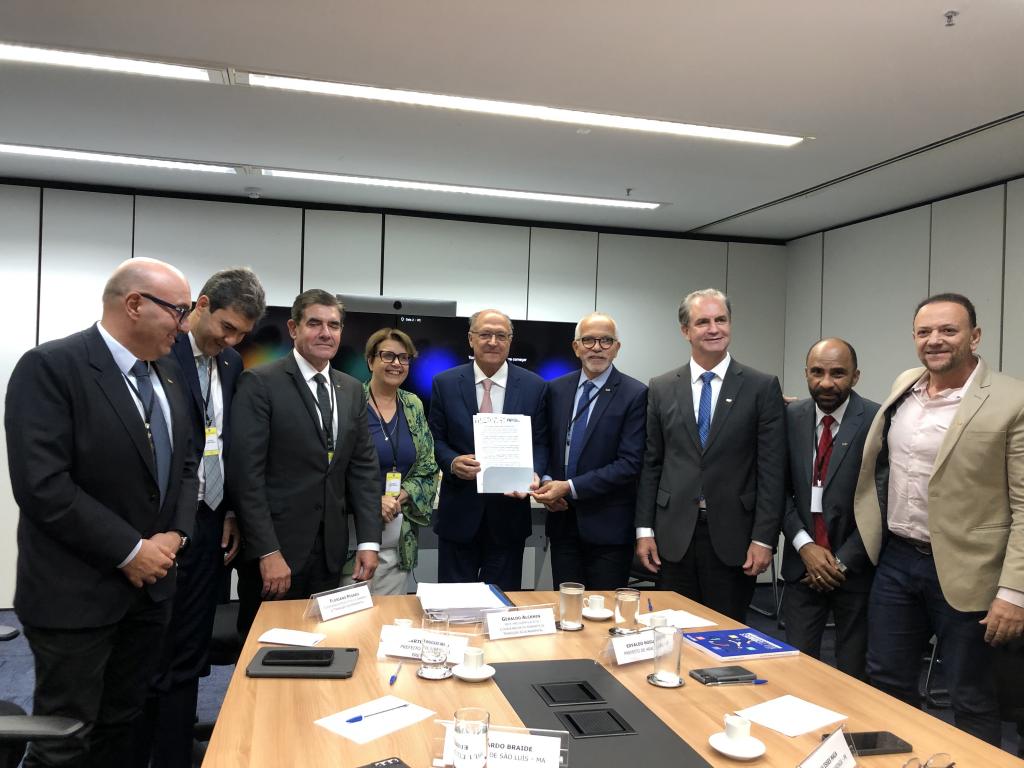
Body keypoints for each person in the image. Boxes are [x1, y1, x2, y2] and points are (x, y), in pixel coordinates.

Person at [5, 258, 199, 767]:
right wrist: (130, 550)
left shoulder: (169, 376)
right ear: (134, 304)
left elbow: (187, 465)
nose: (184, 327)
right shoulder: (52, 367)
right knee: (64, 740)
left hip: (150, 592)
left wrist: (176, 534)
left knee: (124, 725)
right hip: (76, 595)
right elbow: (43, 486)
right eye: (178, 312)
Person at [854, 292, 1024, 745]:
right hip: (897, 560)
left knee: (971, 696)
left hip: (971, 570)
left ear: (975, 336)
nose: (935, 340)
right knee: (886, 679)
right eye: (924, 332)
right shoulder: (906, 384)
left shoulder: (1012, 399)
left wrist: (1014, 592)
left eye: (949, 330)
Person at [138, 268, 266, 768]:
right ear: (202, 305)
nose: (231, 341)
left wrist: (229, 507)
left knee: (191, 643)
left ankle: (176, 745)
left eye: (241, 335)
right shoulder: (161, 352)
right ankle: (149, 747)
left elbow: (225, 442)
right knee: (154, 644)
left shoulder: (229, 362)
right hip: (160, 525)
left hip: (209, 522)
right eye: (227, 327)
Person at [229, 289, 381, 637]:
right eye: (315, 324)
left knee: (322, 645)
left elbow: (363, 470)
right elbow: (246, 476)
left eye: (333, 325)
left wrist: (368, 542)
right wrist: (267, 551)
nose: (325, 333)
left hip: (329, 553)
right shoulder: (260, 383)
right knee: (266, 650)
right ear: (293, 328)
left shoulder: (352, 389)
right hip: (276, 554)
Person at [635, 288, 785, 621]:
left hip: (734, 537)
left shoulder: (761, 387)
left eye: (721, 320)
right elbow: (652, 463)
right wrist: (644, 531)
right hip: (673, 536)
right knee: (671, 631)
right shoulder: (661, 387)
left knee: (724, 633)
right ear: (685, 331)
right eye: (703, 322)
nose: (714, 329)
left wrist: (764, 538)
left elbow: (772, 471)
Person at [428, 309, 548, 590]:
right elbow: (435, 439)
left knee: (502, 604)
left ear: (510, 341)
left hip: (509, 516)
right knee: (454, 604)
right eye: (485, 334)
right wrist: (452, 461)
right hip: (459, 514)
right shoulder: (444, 383)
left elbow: (542, 442)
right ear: (471, 339)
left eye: (501, 335)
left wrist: (535, 473)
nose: (493, 342)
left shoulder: (535, 386)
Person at [781, 338, 878, 679]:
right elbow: (778, 492)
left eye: (838, 373)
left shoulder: (877, 420)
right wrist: (805, 546)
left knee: (854, 674)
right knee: (797, 670)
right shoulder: (790, 417)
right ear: (806, 373)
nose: (826, 382)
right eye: (817, 372)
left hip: (855, 568)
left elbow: (881, 501)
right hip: (802, 566)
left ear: (856, 376)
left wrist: (841, 562)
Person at [534, 312, 647, 589]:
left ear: (617, 348)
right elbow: (545, 443)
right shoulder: (556, 389)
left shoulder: (635, 394)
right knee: (567, 605)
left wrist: (569, 487)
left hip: (609, 528)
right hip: (562, 522)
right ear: (576, 347)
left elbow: (629, 463)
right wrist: (547, 482)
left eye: (606, 341)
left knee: (603, 609)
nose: (597, 347)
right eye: (588, 340)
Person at [342, 328, 439, 594]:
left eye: (404, 358)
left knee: (389, 615)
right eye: (388, 356)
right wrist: (374, 499)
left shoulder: (413, 405)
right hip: (350, 540)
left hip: (398, 540)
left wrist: (400, 496)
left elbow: (428, 467)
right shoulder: (349, 401)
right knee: (349, 616)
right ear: (370, 361)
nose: (396, 363)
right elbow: (334, 469)